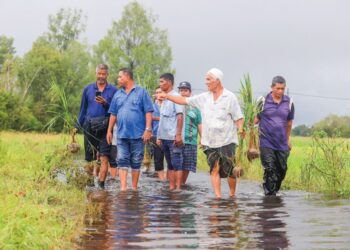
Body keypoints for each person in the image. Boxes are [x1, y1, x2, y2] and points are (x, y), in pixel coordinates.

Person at [156, 68, 244, 198]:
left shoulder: (229, 97)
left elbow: (239, 117)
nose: (205, 82)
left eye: (208, 79)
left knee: (230, 171)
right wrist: (167, 96)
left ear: (217, 81)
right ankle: (218, 198)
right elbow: (184, 101)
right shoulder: (204, 98)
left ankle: (232, 195)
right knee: (214, 169)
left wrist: (241, 129)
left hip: (227, 139)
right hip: (210, 141)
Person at [106, 68, 153, 191]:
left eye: (120, 77)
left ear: (127, 77)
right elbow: (113, 114)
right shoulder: (118, 94)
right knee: (122, 159)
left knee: (136, 161)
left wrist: (148, 129)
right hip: (121, 134)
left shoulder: (141, 92)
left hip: (138, 135)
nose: (118, 79)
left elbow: (148, 111)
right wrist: (109, 130)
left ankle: (134, 188)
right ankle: (123, 188)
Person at [76, 64, 117, 189]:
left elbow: (115, 110)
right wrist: (77, 126)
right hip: (89, 126)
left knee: (105, 156)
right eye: (99, 73)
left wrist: (105, 103)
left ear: (107, 75)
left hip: (106, 127)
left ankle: (101, 185)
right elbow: (82, 109)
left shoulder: (113, 90)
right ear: (96, 73)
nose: (101, 76)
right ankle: (89, 184)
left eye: (103, 74)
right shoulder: (88, 89)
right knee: (89, 157)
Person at [255, 76, 295, 196]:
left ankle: (273, 192)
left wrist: (288, 139)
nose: (280, 91)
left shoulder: (289, 102)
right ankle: (269, 197)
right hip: (266, 142)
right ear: (272, 87)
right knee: (270, 169)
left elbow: (289, 123)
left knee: (282, 170)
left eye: (282, 89)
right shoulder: (262, 101)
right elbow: (255, 120)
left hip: (282, 143)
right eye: (278, 88)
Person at [156, 73, 184, 191]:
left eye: (162, 82)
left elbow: (180, 116)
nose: (160, 84)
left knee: (177, 164)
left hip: (173, 138)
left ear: (169, 82)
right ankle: (172, 188)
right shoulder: (164, 98)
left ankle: (178, 189)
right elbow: (162, 120)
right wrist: (158, 136)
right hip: (164, 137)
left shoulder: (176, 97)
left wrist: (178, 135)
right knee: (170, 165)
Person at [177, 81, 202, 184]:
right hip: (177, 139)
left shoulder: (195, 108)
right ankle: (175, 185)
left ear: (190, 92)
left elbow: (199, 123)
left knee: (187, 165)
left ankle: (182, 184)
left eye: (185, 90)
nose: (183, 92)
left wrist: (202, 138)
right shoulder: (176, 105)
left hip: (190, 140)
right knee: (176, 164)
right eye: (181, 90)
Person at [151, 86, 165, 180]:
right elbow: (148, 120)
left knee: (170, 158)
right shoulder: (151, 107)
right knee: (158, 158)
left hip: (168, 135)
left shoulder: (169, 104)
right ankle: (162, 179)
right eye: (157, 92)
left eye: (161, 92)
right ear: (155, 95)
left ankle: (168, 178)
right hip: (155, 134)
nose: (159, 94)